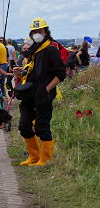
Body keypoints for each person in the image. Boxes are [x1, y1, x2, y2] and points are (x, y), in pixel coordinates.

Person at [13, 18, 67, 167]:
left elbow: (61, 73)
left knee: (42, 127)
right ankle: (34, 156)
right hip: (29, 95)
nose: (37, 34)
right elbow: (33, 72)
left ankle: (45, 159)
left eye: (40, 31)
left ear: (46, 32)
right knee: (24, 126)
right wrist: (21, 73)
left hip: (43, 96)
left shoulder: (51, 50)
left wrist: (47, 88)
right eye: (34, 32)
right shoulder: (33, 50)